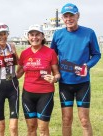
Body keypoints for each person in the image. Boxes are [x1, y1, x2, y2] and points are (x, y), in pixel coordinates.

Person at [50, 3, 101, 136]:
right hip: (65, 84)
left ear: (78, 16)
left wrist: (87, 66)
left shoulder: (89, 33)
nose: (69, 19)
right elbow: (50, 56)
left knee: (84, 120)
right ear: (62, 18)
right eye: (66, 16)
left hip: (82, 84)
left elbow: (96, 54)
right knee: (66, 120)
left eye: (71, 15)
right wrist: (54, 73)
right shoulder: (58, 34)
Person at [16, 24, 60, 136]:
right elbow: (18, 73)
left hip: (45, 94)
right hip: (28, 94)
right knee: (31, 128)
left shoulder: (50, 52)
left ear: (42, 36)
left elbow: (57, 73)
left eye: (37, 35)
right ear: (28, 36)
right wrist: (0, 78)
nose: (34, 37)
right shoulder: (24, 53)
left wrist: (54, 79)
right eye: (31, 35)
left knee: (43, 129)